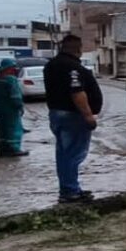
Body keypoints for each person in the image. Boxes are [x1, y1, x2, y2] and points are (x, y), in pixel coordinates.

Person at [44, 35, 102, 203]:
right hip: (72, 116)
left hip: (57, 113)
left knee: (64, 153)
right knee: (72, 155)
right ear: (78, 48)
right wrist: (88, 115)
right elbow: (76, 92)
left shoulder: (51, 65)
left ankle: (71, 189)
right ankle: (70, 192)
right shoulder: (71, 67)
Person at [0, 59, 28, 157]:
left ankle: (2, 147)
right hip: (11, 108)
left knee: (2, 127)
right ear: (9, 68)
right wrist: (19, 106)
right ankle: (14, 148)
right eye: (13, 68)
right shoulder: (10, 79)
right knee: (13, 127)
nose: (14, 70)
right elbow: (15, 95)